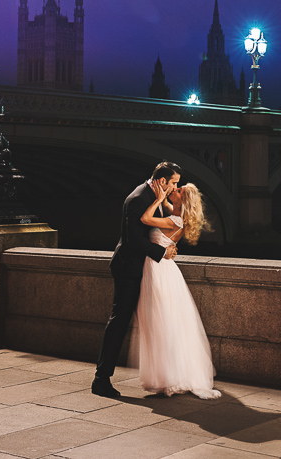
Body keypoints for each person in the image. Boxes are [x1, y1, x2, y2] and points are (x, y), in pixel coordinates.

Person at [92, 161, 181, 398]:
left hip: (146, 270)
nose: (175, 188)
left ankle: (163, 377)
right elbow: (134, 240)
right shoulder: (138, 198)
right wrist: (163, 253)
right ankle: (101, 380)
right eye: (173, 183)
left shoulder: (154, 196)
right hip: (129, 269)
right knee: (119, 322)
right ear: (162, 181)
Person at [137, 179, 221, 399]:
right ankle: (169, 375)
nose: (175, 188)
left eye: (179, 189)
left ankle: (168, 377)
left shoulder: (175, 221)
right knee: (166, 324)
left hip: (160, 270)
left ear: (183, 199)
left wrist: (157, 199)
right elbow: (167, 208)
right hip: (162, 268)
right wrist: (163, 198)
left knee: (162, 323)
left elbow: (145, 219)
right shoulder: (176, 216)